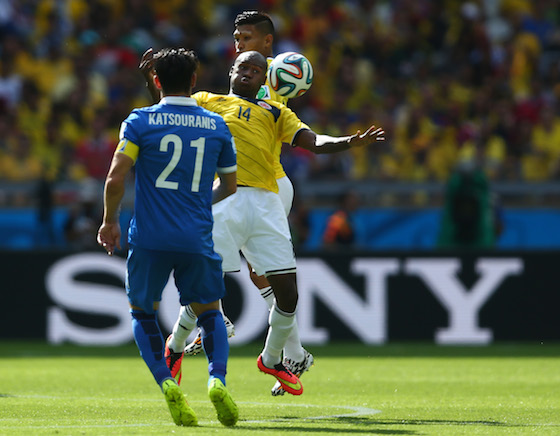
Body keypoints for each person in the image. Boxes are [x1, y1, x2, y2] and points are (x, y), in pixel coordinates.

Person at [141, 49, 385, 397]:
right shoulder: (208, 101)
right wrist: (153, 83)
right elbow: (167, 111)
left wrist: (349, 141)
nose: (248, 73)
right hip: (224, 196)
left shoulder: (276, 112)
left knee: (288, 292)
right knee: (207, 287)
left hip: (267, 203)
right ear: (232, 70)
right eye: (244, 67)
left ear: (264, 80)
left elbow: (314, 143)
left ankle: (271, 358)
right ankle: (176, 345)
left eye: (256, 70)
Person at [96, 48, 239, 427]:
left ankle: (166, 382)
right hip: (196, 237)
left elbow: (114, 177)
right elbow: (229, 186)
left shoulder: (139, 122)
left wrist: (110, 220)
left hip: (149, 239)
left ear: (156, 80)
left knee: (142, 313)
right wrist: (196, 203)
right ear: (194, 80)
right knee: (210, 312)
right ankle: (217, 379)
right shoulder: (215, 125)